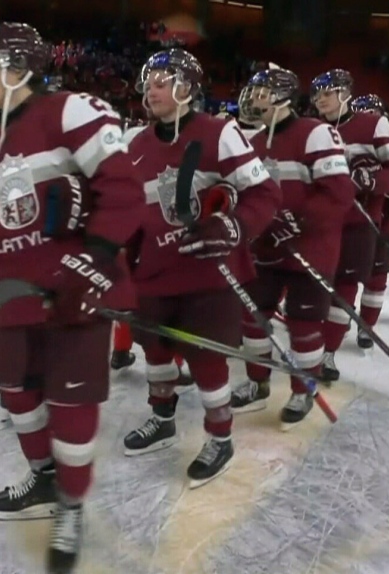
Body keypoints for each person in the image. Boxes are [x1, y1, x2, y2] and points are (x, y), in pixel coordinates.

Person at [0, 22, 144, 573]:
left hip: (77, 288)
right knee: (16, 392)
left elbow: (122, 189)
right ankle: (43, 480)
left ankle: (71, 503)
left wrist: (95, 262)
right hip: (16, 295)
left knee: (70, 402)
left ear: (19, 66)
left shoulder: (71, 110)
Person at [119, 48, 280, 487]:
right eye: (148, 82)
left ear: (186, 87)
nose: (150, 89)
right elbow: (131, 216)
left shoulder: (219, 132)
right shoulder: (135, 145)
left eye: (161, 81)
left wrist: (234, 226)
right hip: (154, 273)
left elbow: (263, 195)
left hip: (208, 274)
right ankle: (162, 418)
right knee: (155, 353)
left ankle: (220, 436)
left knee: (208, 360)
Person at [231, 67, 353, 425]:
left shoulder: (316, 133)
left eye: (261, 93)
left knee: (303, 324)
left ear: (282, 97)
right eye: (253, 93)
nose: (254, 100)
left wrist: (298, 221)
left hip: (310, 249)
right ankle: (257, 382)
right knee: (252, 317)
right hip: (266, 247)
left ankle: (303, 390)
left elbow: (339, 194)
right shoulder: (252, 142)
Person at [309, 70, 389, 381]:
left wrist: (372, 180)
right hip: (316, 224)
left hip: (357, 224)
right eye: (316, 94)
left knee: (343, 288)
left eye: (326, 93)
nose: (320, 100)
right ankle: (310, 345)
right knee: (313, 289)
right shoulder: (311, 128)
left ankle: (327, 351)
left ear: (344, 93)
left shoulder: (373, 124)